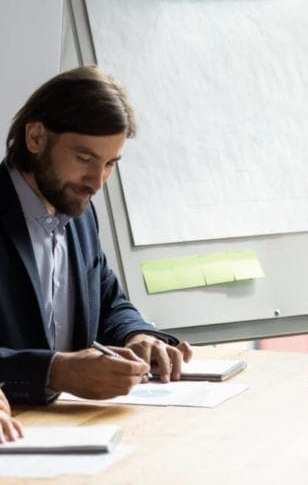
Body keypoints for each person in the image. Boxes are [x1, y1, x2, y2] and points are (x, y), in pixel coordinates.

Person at [0, 66, 192, 405]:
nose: (97, 180)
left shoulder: (80, 210)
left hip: (74, 429)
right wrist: (54, 371)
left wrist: (137, 333)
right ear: (36, 138)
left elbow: (106, 298)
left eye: (109, 163)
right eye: (84, 158)